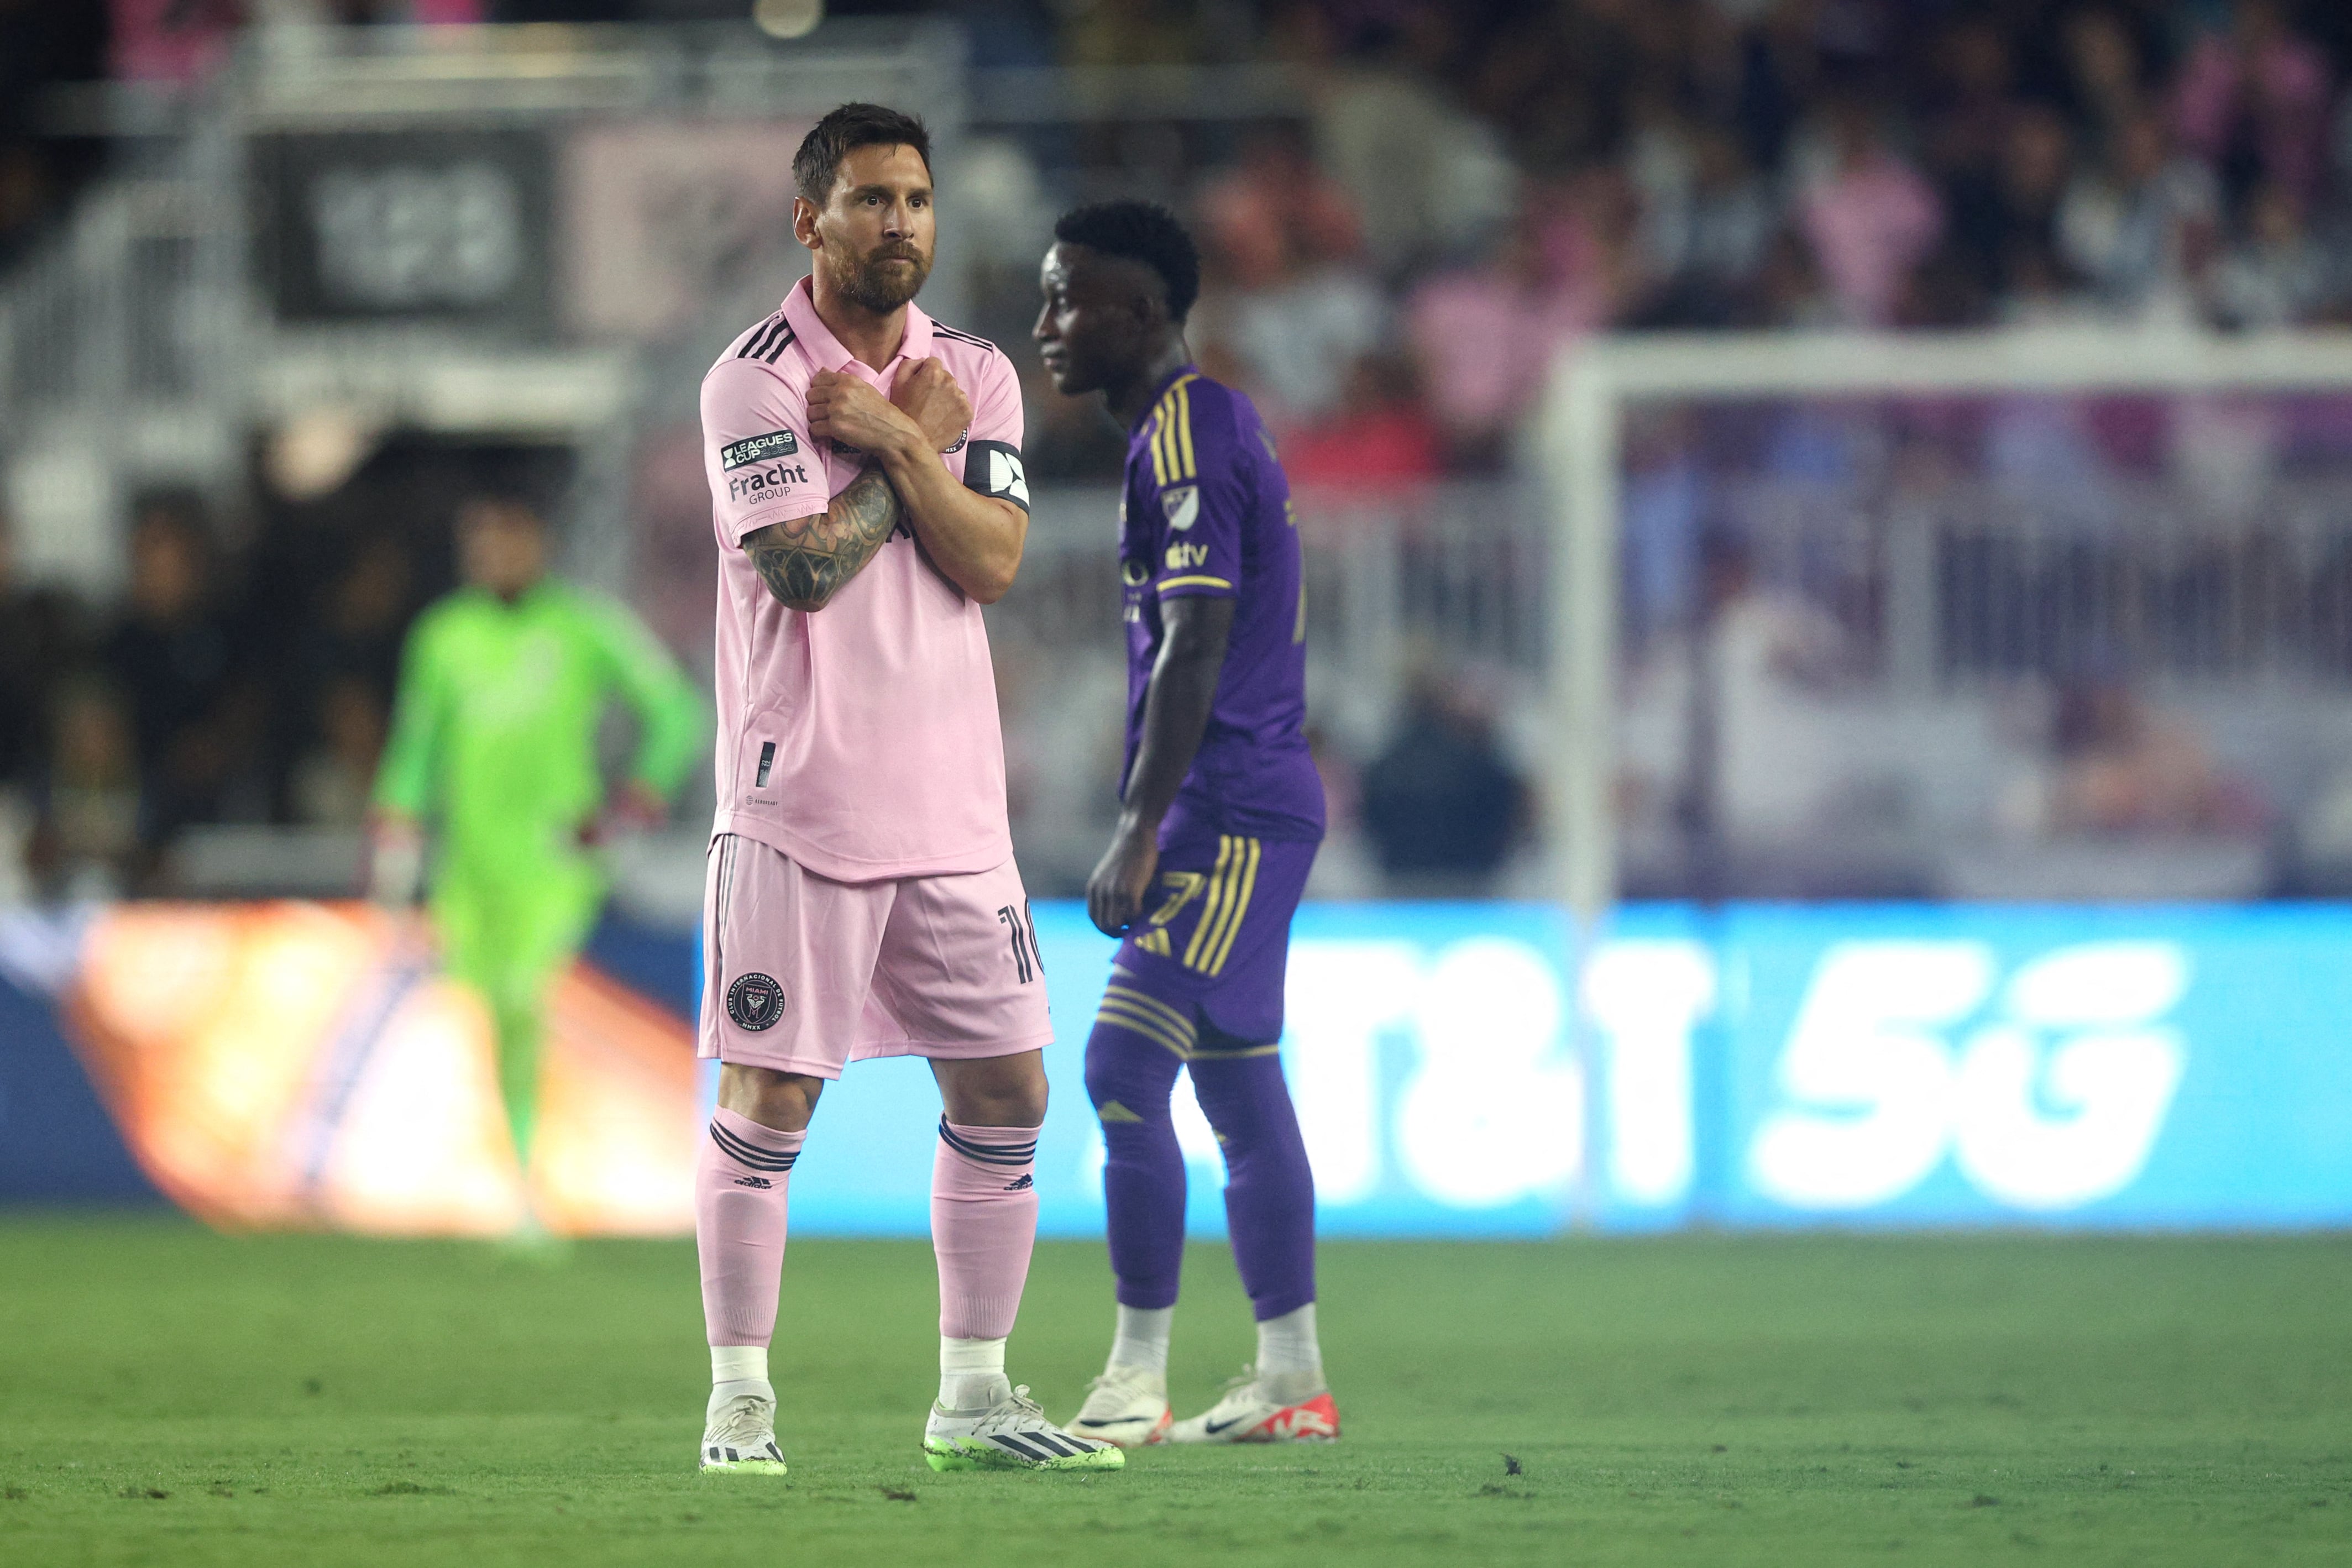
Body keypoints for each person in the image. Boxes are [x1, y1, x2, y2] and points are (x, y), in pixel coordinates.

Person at [690, 103, 1118, 1478]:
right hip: (799, 802)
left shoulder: (976, 374)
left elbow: (990, 560)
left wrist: (895, 438)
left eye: (918, 200)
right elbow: (803, 570)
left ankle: (976, 1397)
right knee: (770, 1106)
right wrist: (898, 450)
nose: (901, 224)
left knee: (1009, 1093)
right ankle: (740, 1405)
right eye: (871, 199)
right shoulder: (749, 383)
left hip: (951, 811)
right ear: (809, 220)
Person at [1034, 201, 1337, 1448]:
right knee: (1238, 1086)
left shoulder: (1184, 431)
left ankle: (1134, 1379)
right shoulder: (1186, 428)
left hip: (1223, 811)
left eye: (1070, 300)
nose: (1046, 325)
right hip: (1248, 800)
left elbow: (1199, 634)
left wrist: (1139, 824)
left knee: (1118, 1072)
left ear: (1145, 314)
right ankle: (1289, 1379)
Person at [370, 495, 703, 1224]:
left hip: (557, 861)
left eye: (509, 539)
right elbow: (414, 748)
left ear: (539, 542)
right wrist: (396, 838)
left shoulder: (584, 625)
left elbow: (675, 709)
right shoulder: (444, 636)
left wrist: (638, 797)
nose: (496, 554)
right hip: (470, 869)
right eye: (482, 541)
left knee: (526, 996)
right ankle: (516, 1179)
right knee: (493, 1020)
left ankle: (531, 1191)